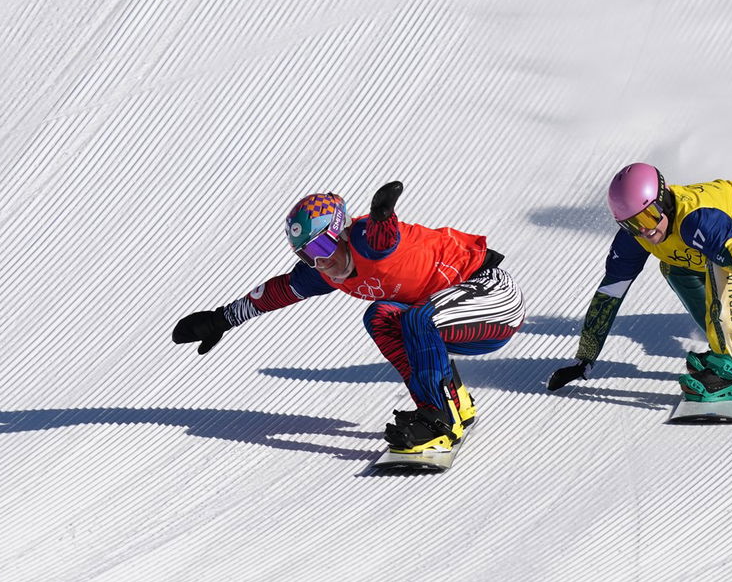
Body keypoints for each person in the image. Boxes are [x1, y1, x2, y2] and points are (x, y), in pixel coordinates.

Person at [171, 182, 524, 461]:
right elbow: (279, 290)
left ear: (342, 234)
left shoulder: (366, 241)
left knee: (419, 318)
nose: (320, 263)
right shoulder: (328, 272)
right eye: (307, 256)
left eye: (322, 248)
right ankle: (450, 401)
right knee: (381, 317)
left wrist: (383, 213)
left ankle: (437, 421)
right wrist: (222, 319)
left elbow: (383, 236)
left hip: (493, 297)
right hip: (458, 316)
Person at [546, 164, 732, 402]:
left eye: (648, 216)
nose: (645, 229)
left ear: (664, 201)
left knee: (717, 257)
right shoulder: (637, 237)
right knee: (673, 264)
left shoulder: (695, 219)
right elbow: (609, 293)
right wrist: (585, 357)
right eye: (632, 224)